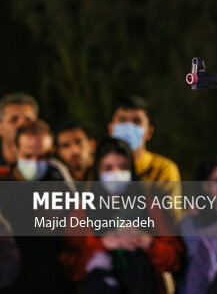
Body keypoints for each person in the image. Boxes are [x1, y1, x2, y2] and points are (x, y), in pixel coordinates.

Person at [61, 137, 184, 294]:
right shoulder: (82, 212)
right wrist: (104, 244)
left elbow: (174, 261)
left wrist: (148, 242)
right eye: (108, 168)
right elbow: (72, 269)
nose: (116, 174)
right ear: (98, 172)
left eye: (123, 167)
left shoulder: (150, 207)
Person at [0, 120, 75, 293]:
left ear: (52, 153)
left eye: (42, 157)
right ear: (15, 150)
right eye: (28, 156)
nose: (35, 162)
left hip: (53, 281)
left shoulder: (59, 187)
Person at [108, 95, 181, 217]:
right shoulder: (96, 168)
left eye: (137, 121)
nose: (129, 128)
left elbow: (171, 221)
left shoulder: (163, 170)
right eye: (122, 120)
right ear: (111, 129)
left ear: (149, 132)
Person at [0, 93, 37, 166]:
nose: (21, 125)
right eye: (13, 120)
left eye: (28, 120)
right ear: (1, 128)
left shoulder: (52, 169)